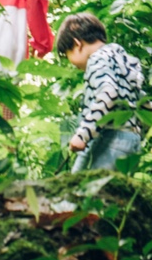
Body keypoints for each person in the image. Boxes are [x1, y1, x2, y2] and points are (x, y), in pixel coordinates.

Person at [54, 13, 145, 172]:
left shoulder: (96, 59)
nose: (71, 62)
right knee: (108, 195)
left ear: (77, 44)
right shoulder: (125, 61)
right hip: (132, 141)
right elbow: (143, 101)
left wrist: (83, 135)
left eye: (68, 55)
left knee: (77, 193)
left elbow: (108, 93)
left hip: (109, 139)